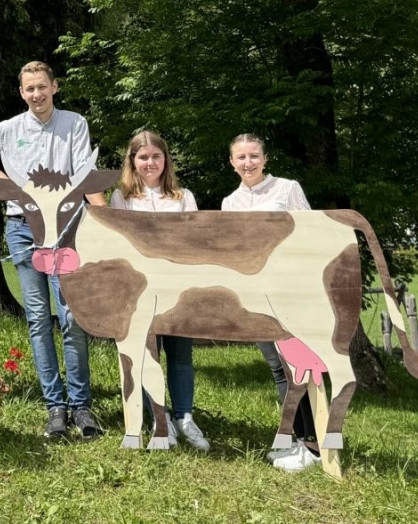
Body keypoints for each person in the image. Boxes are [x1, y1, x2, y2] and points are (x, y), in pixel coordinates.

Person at [0, 61, 105, 439]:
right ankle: (55, 408)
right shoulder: (10, 128)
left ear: (54, 87)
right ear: (22, 93)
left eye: (42, 87)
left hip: (65, 228)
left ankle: (81, 406)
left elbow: (85, 173)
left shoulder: (74, 123)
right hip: (22, 229)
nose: (36, 94)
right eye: (29, 89)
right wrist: (3, 180)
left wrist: (107, 218)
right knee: (38, 319)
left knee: (72, 317)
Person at [221, 132, 320, 473]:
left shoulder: (287, 188)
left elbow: (309, 233)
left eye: (254, 156)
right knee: (277, 367)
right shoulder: (229, 203)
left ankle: (314, 444)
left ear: (265, 159)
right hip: (254, 294)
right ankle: (295, 439)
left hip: (288, 290)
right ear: (232, 162)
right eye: (241, 157)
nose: (248, 162)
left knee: (299, 365)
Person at [108, 131, 210, 451]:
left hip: (178, 287)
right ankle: (159, 417)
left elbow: (195, 241)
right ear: (133, 161)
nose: (150, 163)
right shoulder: (121, 198)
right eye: (143, 157)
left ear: (165, 160)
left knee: (180, 354)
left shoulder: (183, 197)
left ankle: (185, 417)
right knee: (147, 354)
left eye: (156, 156)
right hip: (140, 291)